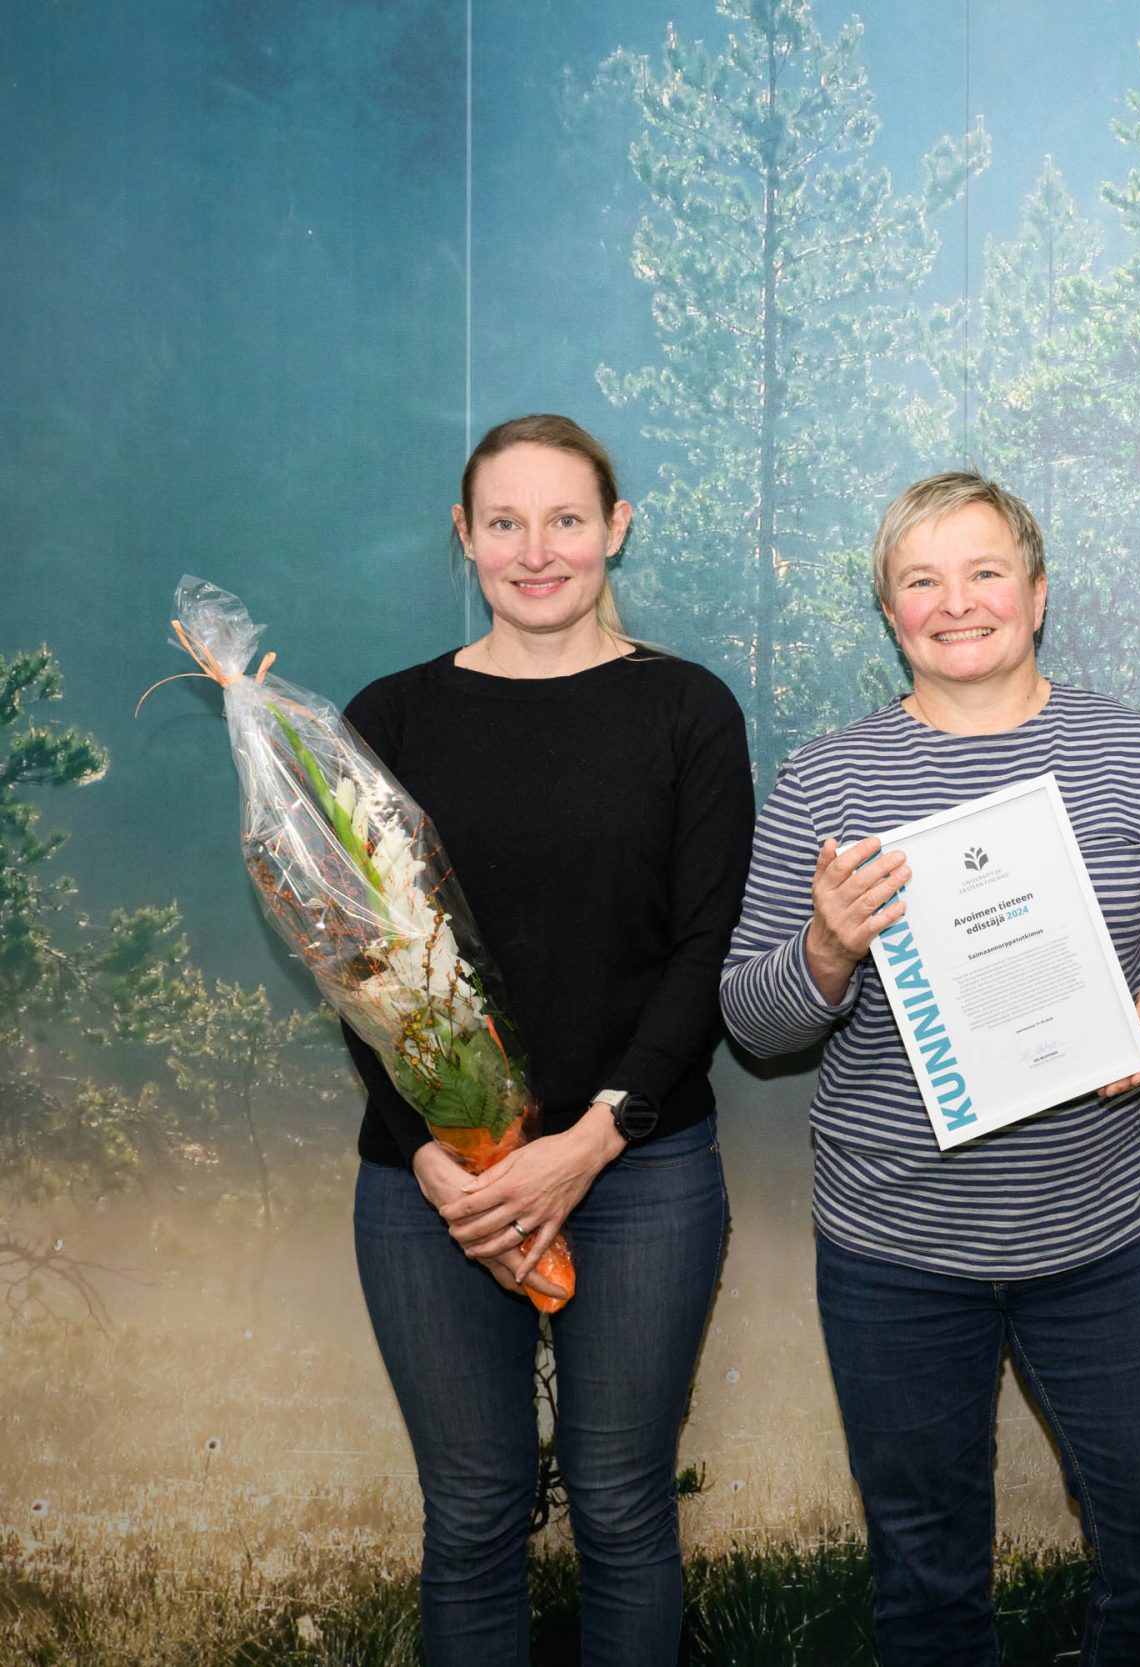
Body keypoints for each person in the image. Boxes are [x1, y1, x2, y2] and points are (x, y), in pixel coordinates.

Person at [720, 471, 1140, 1667]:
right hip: (893, 1249)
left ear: (1038, 592)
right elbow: (754, 1021)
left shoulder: (1136, 751)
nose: (958, 603)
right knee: (928, 1584)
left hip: (1098, 1239)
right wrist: (825, 948)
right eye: (922, 580)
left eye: (985, 571)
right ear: (890, 612)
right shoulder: (826, 781)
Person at [343, 413, 754, 1665]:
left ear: (615, 529)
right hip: (435, 1189)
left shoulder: (686, 708)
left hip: (640, 1175)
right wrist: (429, 1153)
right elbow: (357, 958)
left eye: (566, 519)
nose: (538, 550)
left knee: (625, 1511)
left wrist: (588, 1142)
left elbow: (706, 951)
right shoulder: (392, 716)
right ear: (464, 536)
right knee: (470, 1515)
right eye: (505, 522)